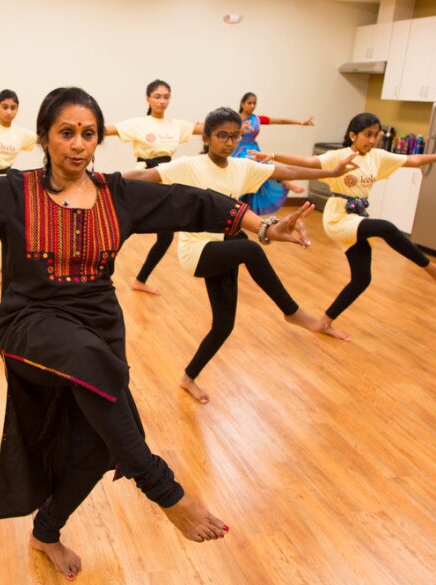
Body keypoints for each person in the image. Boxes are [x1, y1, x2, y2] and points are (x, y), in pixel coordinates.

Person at [0, 87, 318, 580]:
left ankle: (46, 531)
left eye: (88, 133)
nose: (78, 143)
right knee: (94, 369)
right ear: (45, 136)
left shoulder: (119, 196)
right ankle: (164, 489)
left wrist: (264, 228)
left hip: (99, 324)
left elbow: (197, 202)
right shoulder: (14, 193)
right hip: (29, 321)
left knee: (97, 443)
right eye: (66, 132)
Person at [125, 107, 356, 402]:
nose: (229, 142)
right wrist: (101, 180)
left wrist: (331, 172)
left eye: (235, 136)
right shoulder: (189, 166)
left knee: (224, 325)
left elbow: (287, 171)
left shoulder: (241, 167)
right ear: (207, 137)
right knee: (249, 246)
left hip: (225, 246)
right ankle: (293, 313)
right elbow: (144, 175)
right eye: (222, 136)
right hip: (197, 250)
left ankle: (188, 377)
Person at [250, 112, 436, 339]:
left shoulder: (378, 156)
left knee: (362, 278)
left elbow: (413, 160)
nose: (372, 140)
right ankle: (434, 271)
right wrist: (273, 155)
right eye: (367, 135)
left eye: (376, 135)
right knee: (387, 228)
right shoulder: (340, 156)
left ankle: (324, 322)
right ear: (353, 135)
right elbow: (308, 161)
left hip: (358, 216)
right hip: (338, 216)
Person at [103, 79, 203, 295]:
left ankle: (140, 280)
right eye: (157, 96)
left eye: (166, 96)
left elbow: (204, 129)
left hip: (166, 178)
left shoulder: (176, 125)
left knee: (166, 236)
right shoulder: (138, 123)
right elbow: (105, 130)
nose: (162, 101)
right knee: (124, 226)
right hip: (144, 179)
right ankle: (99, 274)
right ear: (148, 98)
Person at [232, 91, 315, 215]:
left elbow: (280, 120)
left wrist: (300, 122)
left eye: (254, 103)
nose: (252, 106)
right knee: (256, 165)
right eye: (249, 103)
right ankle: (286, 182)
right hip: (237, 150)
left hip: (253, 149)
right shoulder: (234, 119)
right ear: (242, 104)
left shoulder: (257, 119)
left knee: (263, 166)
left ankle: (284, 182)